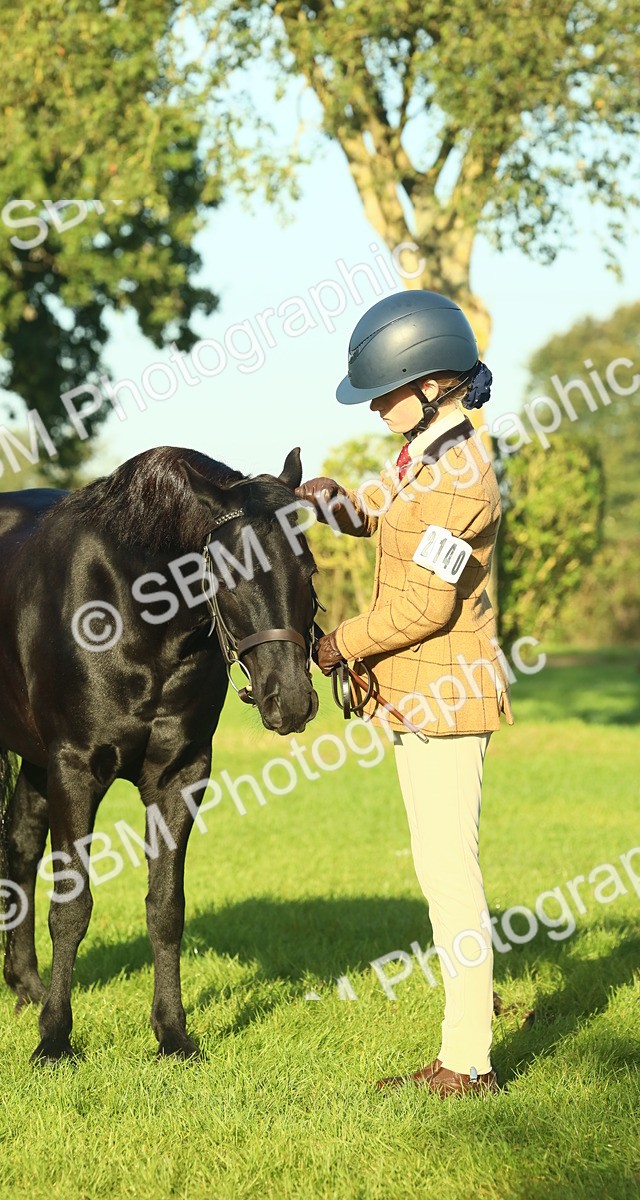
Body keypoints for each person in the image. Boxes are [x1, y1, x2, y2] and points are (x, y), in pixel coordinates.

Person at [295, 289, 514, 1098]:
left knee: (450, 873)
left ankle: (469, 1062)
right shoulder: (427, 458)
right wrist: (336, 504)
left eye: (383, 388)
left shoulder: (463, 481)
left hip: (447, 703)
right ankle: (470, 1036)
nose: (377, 403)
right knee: (441, 869)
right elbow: (388, 518)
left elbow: (426, 605)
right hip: (420, 701)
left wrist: (334, 644)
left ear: (428, 380)